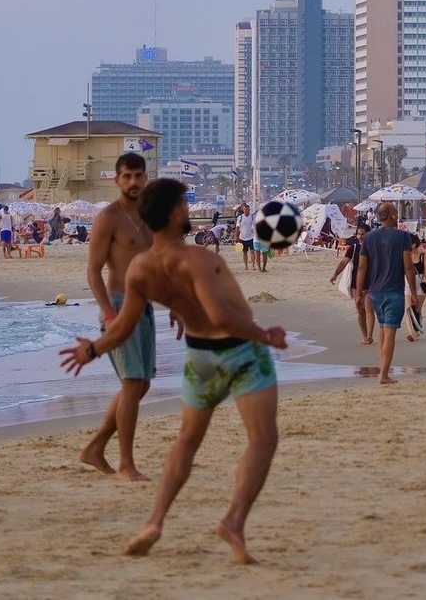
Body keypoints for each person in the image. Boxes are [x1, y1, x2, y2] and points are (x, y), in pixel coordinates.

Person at [60, 178, 287, 563]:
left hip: (198, 357)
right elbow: (220, 315)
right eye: (183, 204)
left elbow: (125, 324)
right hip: (240, 352)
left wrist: (94, 348)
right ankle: (232, 521)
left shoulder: (140, 268)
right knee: (262, 440)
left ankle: (154, 522)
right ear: (171, 214)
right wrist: (264, 335)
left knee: (186, 440)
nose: (187, 210)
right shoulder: (199, 259)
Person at [79, 153, 160, 481]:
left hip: (146, 306)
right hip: (118, 304)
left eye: (138, 176)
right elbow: (93, 271)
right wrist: (109, 312)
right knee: (131, 383)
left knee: (141, 385)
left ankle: (95, 448)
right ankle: (125, 464)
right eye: (126, 176)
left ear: (146, 178)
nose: (133, 182)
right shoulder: (108, 218)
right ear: (117, 180)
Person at [355, 203, 419, 384]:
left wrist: (359, 293)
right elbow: (408, 267)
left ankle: (383, 368)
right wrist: (413, 292)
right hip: (394, 291)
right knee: (389, 333)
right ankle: (383, 375)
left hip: (375, 292)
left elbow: (361, 267)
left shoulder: (368, 237)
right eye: (396, 212)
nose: (398, 214)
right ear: (390, 215)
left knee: (383, 329)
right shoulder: (402, 237)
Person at [331, 222, 374, 345]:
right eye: (358, 234)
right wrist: (335, 274)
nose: (360, 236)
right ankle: (364, 335)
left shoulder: (374, 248)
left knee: (369, 307)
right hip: (356, 285)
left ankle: (370, 335)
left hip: (371, 283)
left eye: (363, 234)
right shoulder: (353, 248)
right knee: (360, 310)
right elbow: (344, 262)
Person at [236, 205, 255, 271]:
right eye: (245, 209)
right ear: (243, 210)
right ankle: (246, 266)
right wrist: (236, 237)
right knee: (244, 252)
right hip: (242, 237)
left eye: (247, 209)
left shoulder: (252, 217)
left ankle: (253, 265)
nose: (246, 210)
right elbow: (237, 228)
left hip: (251, 237)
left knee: (252, 252)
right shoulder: (240, 217)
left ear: (249, 210)